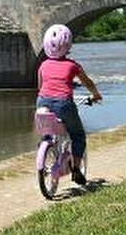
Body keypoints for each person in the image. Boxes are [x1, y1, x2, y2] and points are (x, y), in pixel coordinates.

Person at [35, 24, 102, 186]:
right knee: (78, 135)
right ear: (67, 45)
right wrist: (95, 95)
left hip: (42, 101)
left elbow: (40, 86)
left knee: (49, 131)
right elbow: (86, 82)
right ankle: (76, 168)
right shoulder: (72, 65)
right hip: (64, 103)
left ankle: (47, 148)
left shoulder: (43, 65)